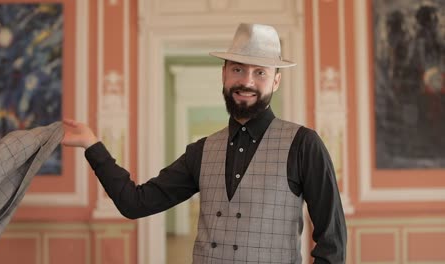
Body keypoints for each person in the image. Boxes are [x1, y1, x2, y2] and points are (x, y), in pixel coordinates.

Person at [62, 23, 347, 263]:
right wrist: (92, 145)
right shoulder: (201, 151)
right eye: (238, 69)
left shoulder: (304, 145)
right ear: (223, 74)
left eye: (260, 72)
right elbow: (135, 203)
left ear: (276, 81)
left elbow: (331, 242)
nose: (246, 81)